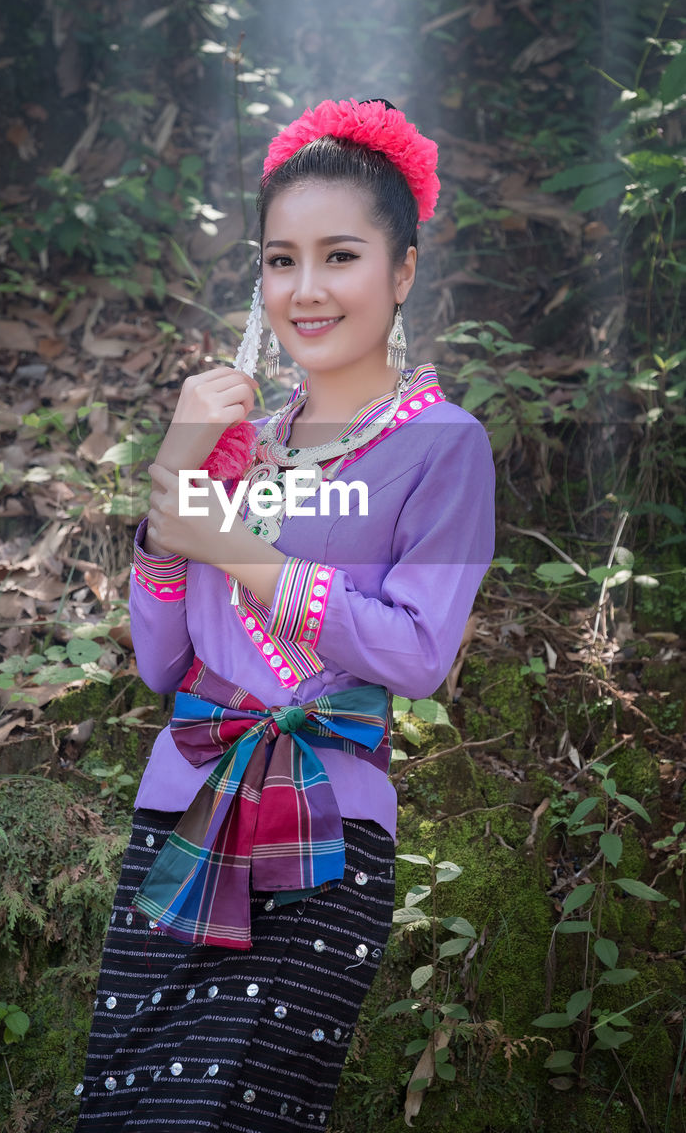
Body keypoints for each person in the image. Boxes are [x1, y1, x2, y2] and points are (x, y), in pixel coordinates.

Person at [73, 97, 495, 1130]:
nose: (305, 289)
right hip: (179, 800)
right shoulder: (235, 441)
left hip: (325, 824)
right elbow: (161, 658)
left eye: (339, 255)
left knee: (234, 1112)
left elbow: (417, 650)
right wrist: (175, 471)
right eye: (279, 260)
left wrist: (241, 550)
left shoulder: (443, 448)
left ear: (401, 272)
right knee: (128, 1111)